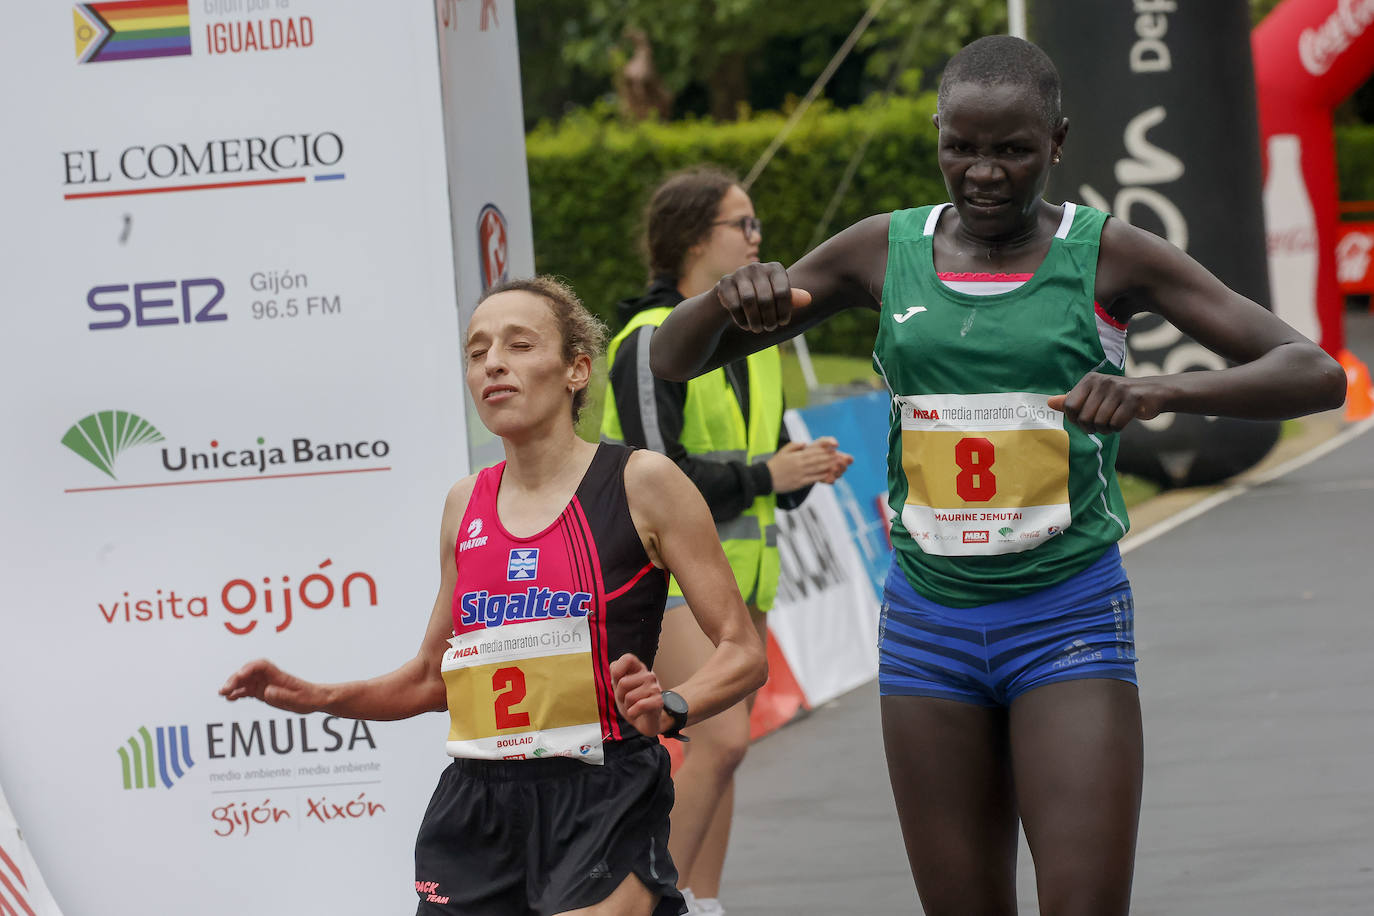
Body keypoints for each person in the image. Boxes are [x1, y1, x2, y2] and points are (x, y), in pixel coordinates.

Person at [648, 35, 1346, 916]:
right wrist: (722, 299)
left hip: (1066, 617)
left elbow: (1312, 371)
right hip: (928, 630)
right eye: (961, 147)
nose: (982, 173)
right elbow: (673, 360)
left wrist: (1161, 388)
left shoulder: (1109, 255)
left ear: (1057, 142)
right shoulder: (881, 250)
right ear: (937, 135)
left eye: (1012, 150)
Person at [221, 276, 768, 916]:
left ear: (576, 369)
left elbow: (743, 651)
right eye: (478, 353)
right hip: (478, 805)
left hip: (602, 796)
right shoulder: (465, 503)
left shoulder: (642, 481)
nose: (494, 364)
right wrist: (317, 697)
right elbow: (433, 678)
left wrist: (673, 704)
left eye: (519, 345)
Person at [601, 166, 851, 915]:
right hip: (664, 575)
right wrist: (766, 476)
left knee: (724, 753)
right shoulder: (647, 342)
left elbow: (765, 461)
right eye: (741, 225)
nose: (757, 239)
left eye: (755, 224)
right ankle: (642, 902)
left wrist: (802, 471)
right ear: (690, 241)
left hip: (743, 574)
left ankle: (701, 902)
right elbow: (655, 471)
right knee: (721, 743)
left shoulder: (758, 338)